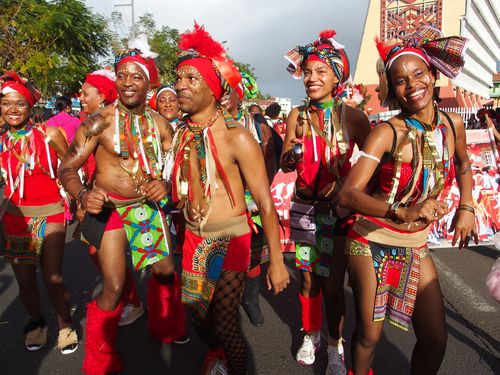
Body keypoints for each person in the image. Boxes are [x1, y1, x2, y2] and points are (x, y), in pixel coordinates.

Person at [337, 25, 477, 374]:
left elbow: (462, 164)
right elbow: (349, 194)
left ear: (433, 74)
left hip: (415, 243)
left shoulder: (452, 125)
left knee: (435, 340)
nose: (412, 84)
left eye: (418, 74)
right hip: (370, 239)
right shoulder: (386, 133)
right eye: (400, 80)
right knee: (369, 336)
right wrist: (403, 210)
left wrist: (467, 206)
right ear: (393, 89)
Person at [58, 36, 183, 374]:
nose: (128, 82)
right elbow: (67, 166)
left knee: (165, 271)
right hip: (109, 210)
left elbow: (175, 170)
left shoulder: (161, 124)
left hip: (144, 208)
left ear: (149, 82)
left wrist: (167, 185)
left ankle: (165, 327)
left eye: (136, 76)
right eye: (122, 75)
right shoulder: (98, 122)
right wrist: (83, 195)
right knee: (113, 287)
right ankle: (100, 361)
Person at [172, 23, 290, 375]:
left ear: (213, 88)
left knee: (224, 322)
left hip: (232, 237)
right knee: (198, 317)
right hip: (195, 237)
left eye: (192, 79)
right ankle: (219, 355)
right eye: (179, 78)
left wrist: (277, 261)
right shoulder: (181, 134)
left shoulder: (238, 138)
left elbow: (265, 204)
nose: (180, 85)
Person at [282, 29, 371, 374]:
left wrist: (351, 187)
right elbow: (287, 163)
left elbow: (374, 159)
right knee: (308, 279)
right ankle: (311, 334)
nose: (312, 78)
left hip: (336, 213)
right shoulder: (297, 116)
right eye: (308, 72)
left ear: (337, 76)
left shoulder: (352, 117)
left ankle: (336, 347)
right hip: (303, 208)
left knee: (333, 284)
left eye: (320, 71)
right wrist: (291, 155)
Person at [0, 72, 78, 354]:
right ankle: (36, 321)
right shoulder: (1, 141)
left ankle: (65, 322)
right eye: (6, 103)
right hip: (15, 218)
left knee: (52, 277)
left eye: (19, 103)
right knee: (25, 281)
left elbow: (70, 164)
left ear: (30, 106)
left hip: (51, 213)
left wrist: (77, 195)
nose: (12, 109)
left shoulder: (49, 134)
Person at [79, 69, 144, 326]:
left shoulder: (117, 125)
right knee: (102, 259)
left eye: (86, 93)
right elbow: (69, 166)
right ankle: (131, 300)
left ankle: (143, 308)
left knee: (160, 268)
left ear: (102, 95)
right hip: (97, 204)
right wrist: (81, 197)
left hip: (127, 206)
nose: (81, 97)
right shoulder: (91, 125)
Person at [222, 72, 278, 327]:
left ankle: (252, 300)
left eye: (227, 91)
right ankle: (226, 308)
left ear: (239, 94)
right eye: (218, 91)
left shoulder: (256, 126)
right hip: (222, 204)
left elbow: (269, 166)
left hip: (252, 201)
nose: (221, 97)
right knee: (222, 259)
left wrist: (257, 193)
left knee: (253, 257)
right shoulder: (208, 124)